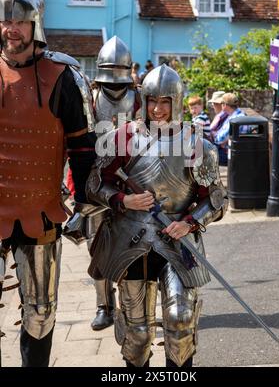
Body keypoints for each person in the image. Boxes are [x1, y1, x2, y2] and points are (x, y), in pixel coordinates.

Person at [87, 64, 228, 367]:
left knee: (180, 321)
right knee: (137, 335)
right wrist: (124, 200)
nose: (158, 109)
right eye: (153, 101)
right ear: (144, 101)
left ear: (177, 101)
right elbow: (95, 185)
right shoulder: (121, 138)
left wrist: (189, 223)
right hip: (130, 239)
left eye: (166, 102)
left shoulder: (196, 144)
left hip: (177, 242)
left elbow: (216, 201)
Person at [0, 0, 97, 367]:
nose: (12, 28)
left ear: (35, 23)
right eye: (6, 19)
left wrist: (85, 206)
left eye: (20, 20)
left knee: (40, 315)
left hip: (40, 212)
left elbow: (83, 149)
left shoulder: (64, 77)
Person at [89, 36, 141, 331]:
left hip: (132, 180)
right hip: (95, 180)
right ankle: (103, 305)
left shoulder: (141, 97)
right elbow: (79, 141)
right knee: (95, 246)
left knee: (130, 243)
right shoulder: (90, 96)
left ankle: (129, 305)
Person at [213, 92, 246, 166]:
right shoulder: (239, 114)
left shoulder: (234, 119)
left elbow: (219, 139)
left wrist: (220, 139)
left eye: (221, 103)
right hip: (237, 152)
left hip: (230, 154)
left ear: (225, 105)